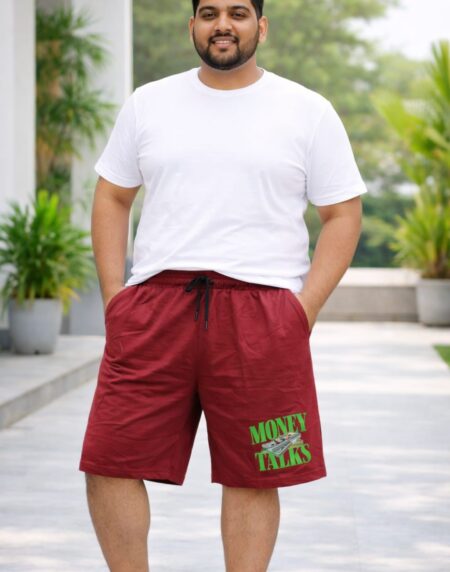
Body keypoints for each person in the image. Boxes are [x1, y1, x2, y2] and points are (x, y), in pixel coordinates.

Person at [78, 0, 367, 570]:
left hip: (263, 314)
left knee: (256, 470)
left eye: (238, 13)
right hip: (156, 305)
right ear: (192, 26)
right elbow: (112, 196)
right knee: (109, 460)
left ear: (262, 26)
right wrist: (115, 297)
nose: (223, 25)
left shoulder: (307, 110)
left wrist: (302, 310)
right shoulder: (149, 103)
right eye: (209, 13)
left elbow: (343, 214)